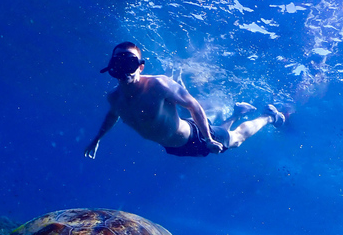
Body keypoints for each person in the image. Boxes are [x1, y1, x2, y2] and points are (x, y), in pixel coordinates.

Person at [84, 41, 285, 160]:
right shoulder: (114, 97)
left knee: (235, 140)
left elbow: (193, 105)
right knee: (221, 131)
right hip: (173, 148)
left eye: (130, 62)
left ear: (140, 66)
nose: (124, 69)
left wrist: (208, 139)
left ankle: (268, 117)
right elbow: (113, 115)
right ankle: (236, 113)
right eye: (119, 63)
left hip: (195, 137)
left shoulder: (158, 85)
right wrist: (97, 139)